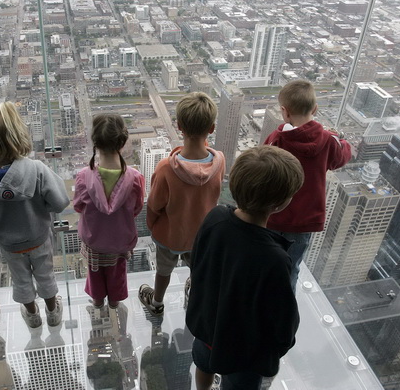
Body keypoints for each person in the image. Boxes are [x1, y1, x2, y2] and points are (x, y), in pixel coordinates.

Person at [186, 146, 304, 390]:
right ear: (280, 204)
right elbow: (283, 320)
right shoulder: (274, 258)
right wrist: (275, 350)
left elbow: (196, 263)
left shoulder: (215, 218)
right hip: (243, 352)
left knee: (203, 365)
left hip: (207, 327)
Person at [0, 102, 69, 328]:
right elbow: (60, 201)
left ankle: (32, 316)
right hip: (39, 238)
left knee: (21, 280)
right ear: (18, 134)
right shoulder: (37, 169)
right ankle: (53, 312)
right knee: (45, 275)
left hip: (10, 244)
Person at [139, 92, 225, 316]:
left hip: (169, 234)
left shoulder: (167, 167)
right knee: (197, 269)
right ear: (212, 129)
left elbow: (155, 204)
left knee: (164, 270)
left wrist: (152, 225)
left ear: (179, 127)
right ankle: (195, 295)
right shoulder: (220, 162)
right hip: (201, 236)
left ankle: (157, 303)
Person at [264, 79, 351, 289]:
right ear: (315, 109)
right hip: (304, 221)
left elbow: (262, 163)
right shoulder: (329, 141)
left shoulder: (277, 139)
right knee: (291, 268)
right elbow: (343, 156)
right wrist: (340, 138)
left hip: (274, 216)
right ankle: (285, 311)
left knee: (265, 264)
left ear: (285, 112)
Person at [73, 114, 145, 309]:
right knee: (116, 272)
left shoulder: (83, 177)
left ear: (95, 142)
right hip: (120, 241)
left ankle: (97, 302)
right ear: (122, 142)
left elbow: (78, 206)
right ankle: (114, 303)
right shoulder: (135, 179)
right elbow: (137, 208)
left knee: (94, 273)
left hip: (94, 240)